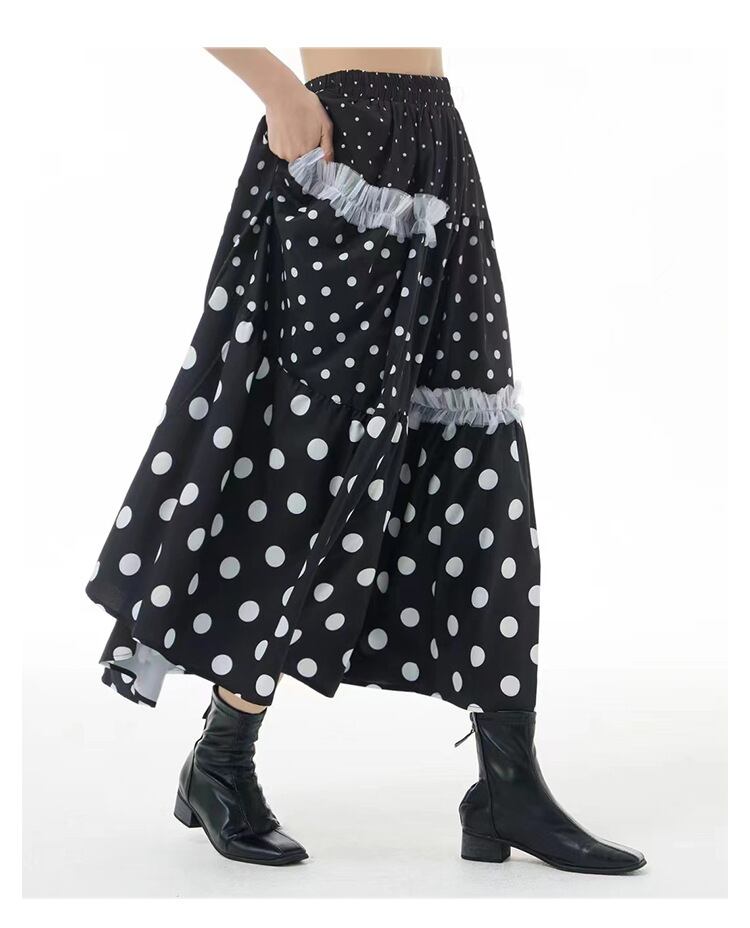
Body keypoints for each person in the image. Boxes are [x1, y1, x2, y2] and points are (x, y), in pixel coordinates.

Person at [85, 47, 646, 874]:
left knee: (475, 449)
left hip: (438, 141)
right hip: (336, 146)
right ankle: (221, 758)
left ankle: (508, 785)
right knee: (304, 458)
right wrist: (279, 91)